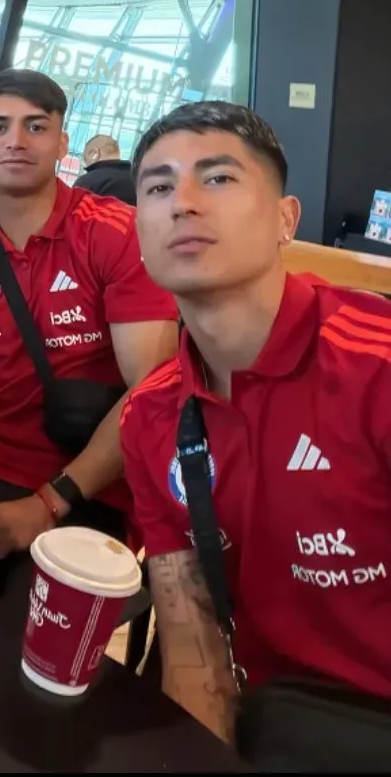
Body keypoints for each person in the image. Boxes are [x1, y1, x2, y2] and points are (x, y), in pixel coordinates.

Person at [122, 101, 391, 742]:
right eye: (159, 187)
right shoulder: (152, 416)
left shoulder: (375, 369)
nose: (182, 202)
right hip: (284, 728)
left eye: (217, 177)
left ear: (284, 220)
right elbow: (194, 645)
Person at [0, 70, 178, 592]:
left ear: (62, 142)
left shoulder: (117, 236)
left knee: (27, 637)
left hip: (90, 486)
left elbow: (152, 397)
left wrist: (47, 503)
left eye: (35, 126)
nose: (14, 140)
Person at [74, 133, 136, 204]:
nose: (85, 165)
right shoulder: (137, 181)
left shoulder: (87, 182)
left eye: (85, 159)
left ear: (95, 153)